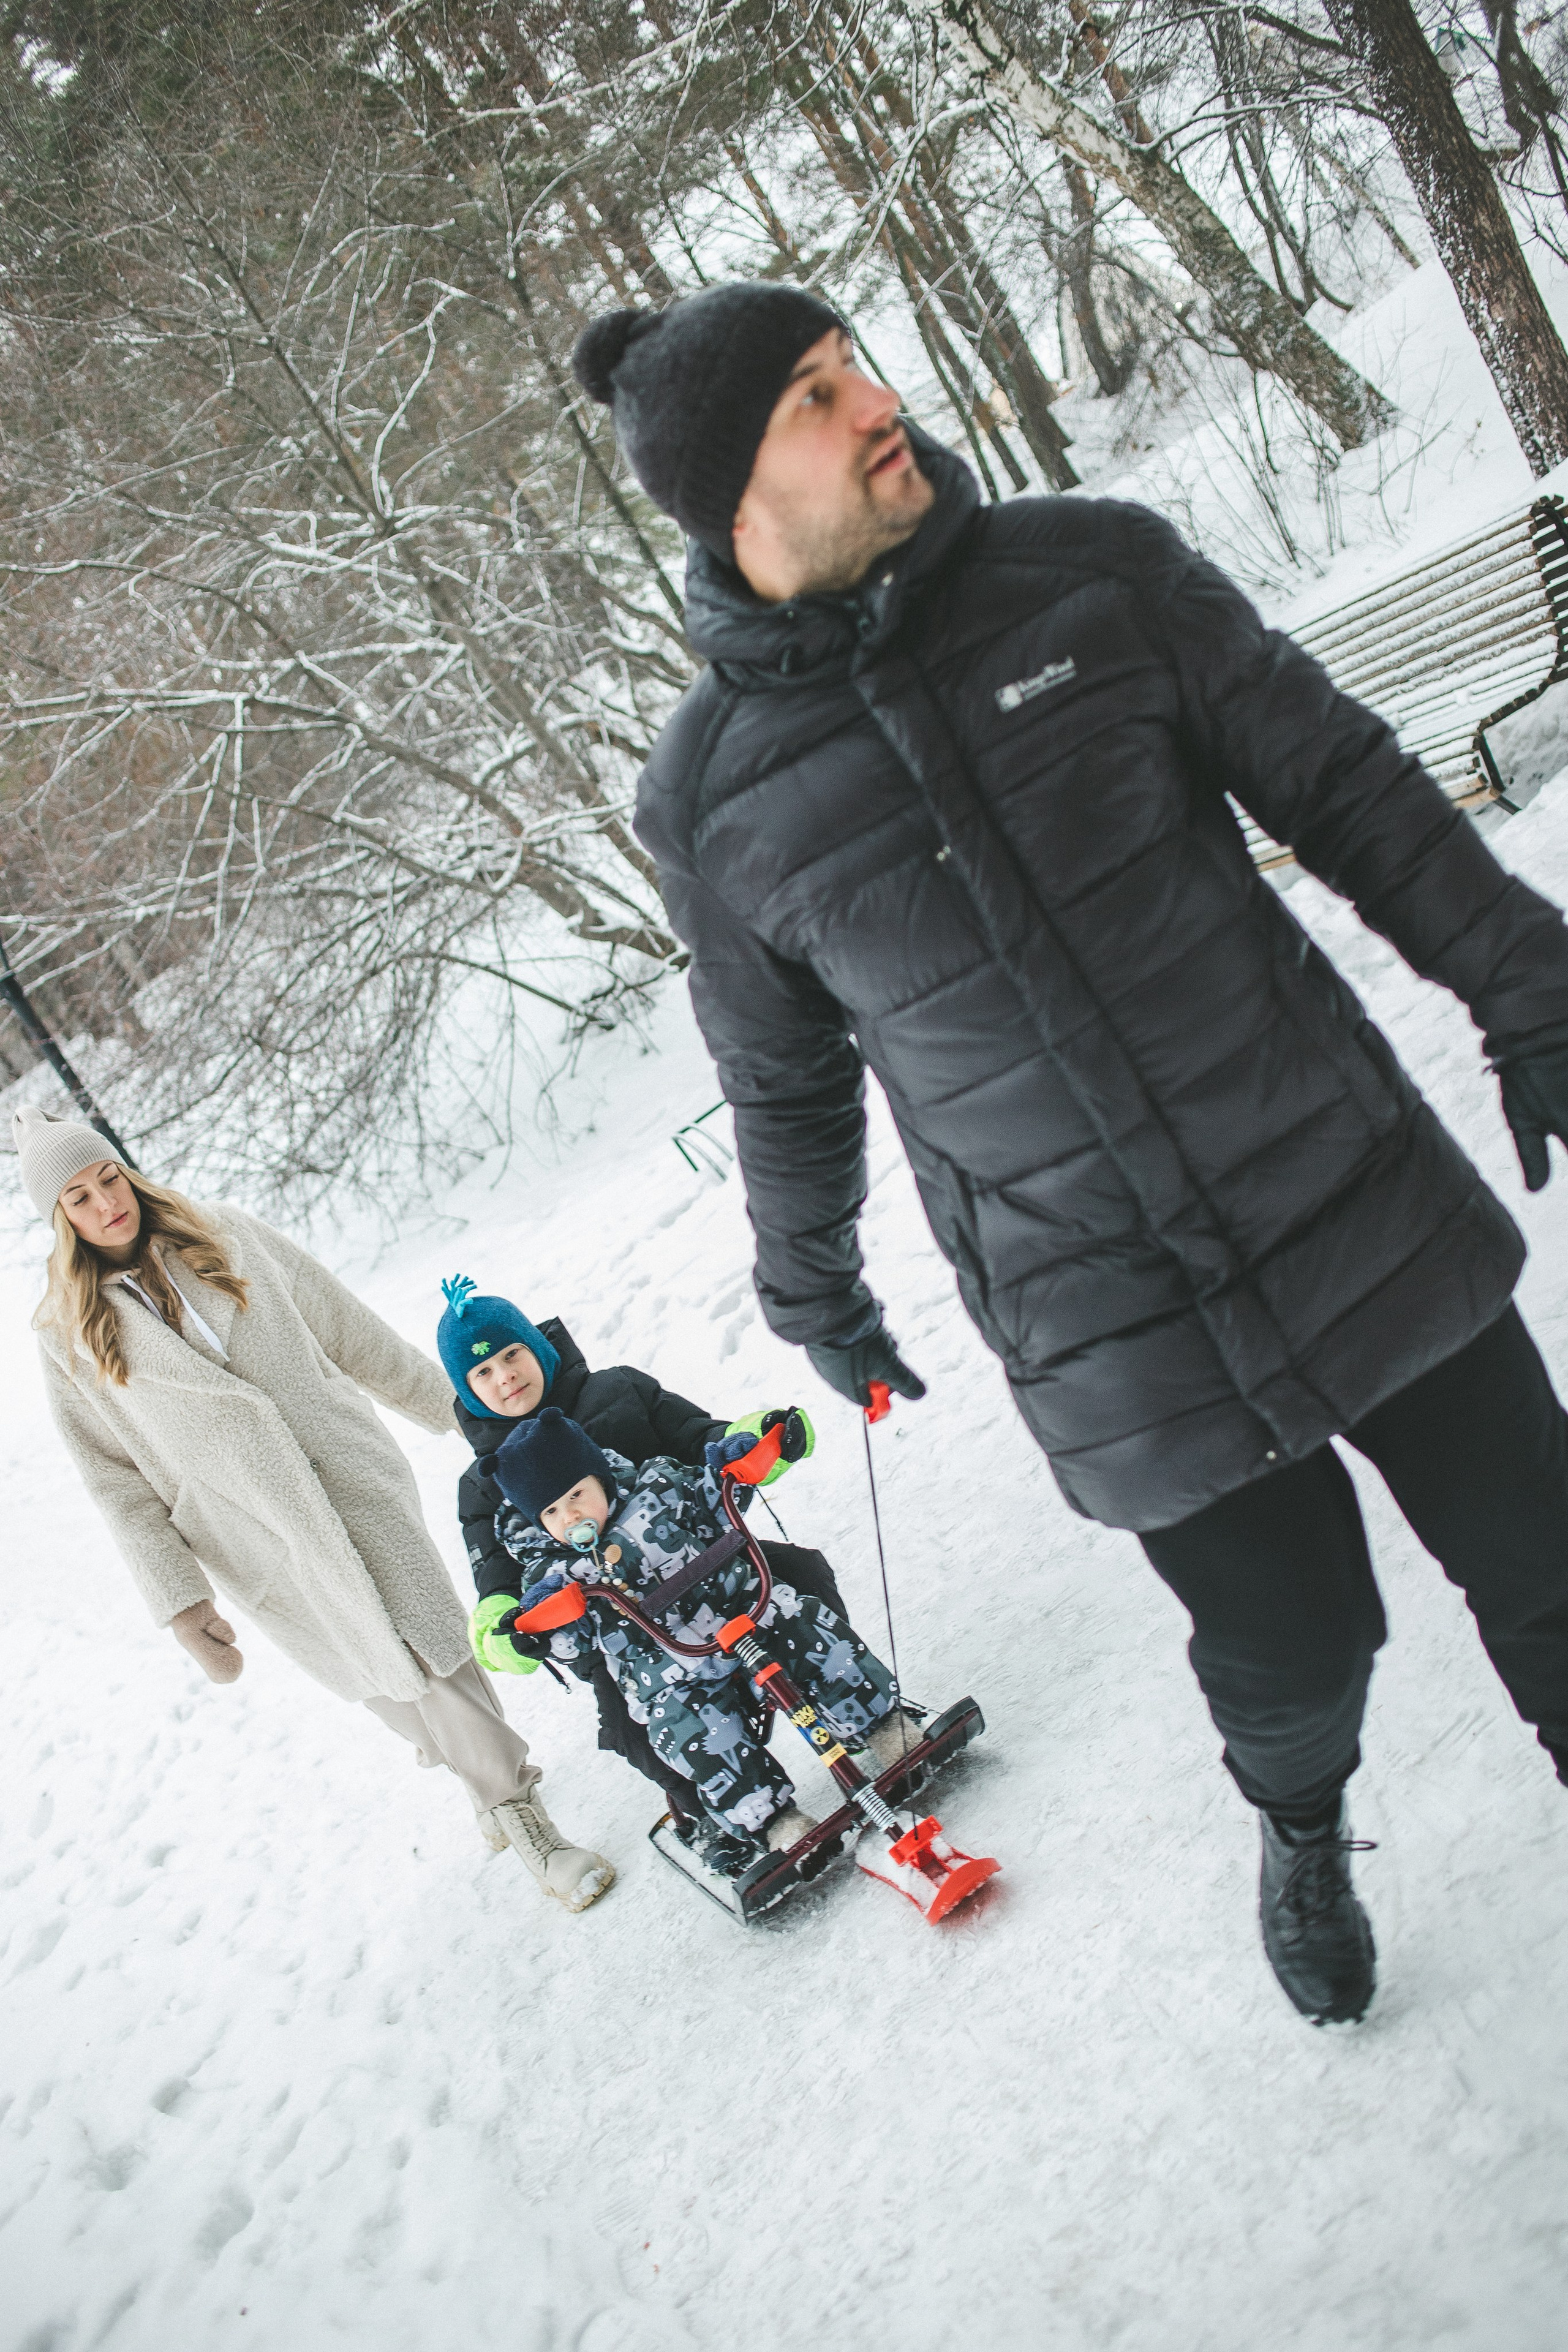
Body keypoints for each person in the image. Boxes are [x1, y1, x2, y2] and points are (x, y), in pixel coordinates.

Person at [569, 280, 1568, 2024]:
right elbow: (780, 1074)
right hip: (1110, 1314)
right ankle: (1304, 1822)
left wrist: (1528, 984)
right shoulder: (711, 796)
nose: (878, 398)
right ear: (736, 489)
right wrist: (814, 1284)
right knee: (1299, 1648)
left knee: (1554, 1573)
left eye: (854, 359)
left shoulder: (1093, 576)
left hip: (1345, 1185)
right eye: (818, 393)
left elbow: (1345, 789)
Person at [14, 1107, 612, 1915]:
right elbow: (112, 1477)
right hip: (258, 1536)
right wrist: (182, 1602)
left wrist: (477, 1424)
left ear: (127, 1170)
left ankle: (519, 1813)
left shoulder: (222, 1233)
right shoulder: (68, 1336)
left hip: (350, 1477)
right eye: (78, 1198)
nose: (105, 1205)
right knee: (381, 1679)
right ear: (59, 1219)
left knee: (437, 1648)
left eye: (108, 1178)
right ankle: (485, 1780)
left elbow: (346, 1329)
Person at [436, 1273, 856, 1863]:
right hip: (622, 1638)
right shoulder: (484, 1485)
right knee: (636, 1724)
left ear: (539, 1347)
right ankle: (707, 1809)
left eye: (512, 1354)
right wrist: (508, 1629)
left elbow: (700, 1436)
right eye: (483, 1373)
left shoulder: (618, 1391)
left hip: (717, 1577)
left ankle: (853, 1709)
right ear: (467, 1388)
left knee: (802, 1579)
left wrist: (757, 1440)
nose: (505, 1377)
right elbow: (496, 1582)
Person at [488, 1406, 920, 1866]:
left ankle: (884, 1728)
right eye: (551, 1511)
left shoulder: (660, 1488)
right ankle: (775, 1821)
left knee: (809, 1630)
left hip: (746, 1611)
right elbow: (570, 1637)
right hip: (670, 1671)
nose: (570, 1514)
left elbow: (717, 1496)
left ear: (602, 1478)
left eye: (577, 1494)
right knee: (691, 1732)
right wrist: (535, 1632)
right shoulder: (555, 1574)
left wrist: (738, 1465)